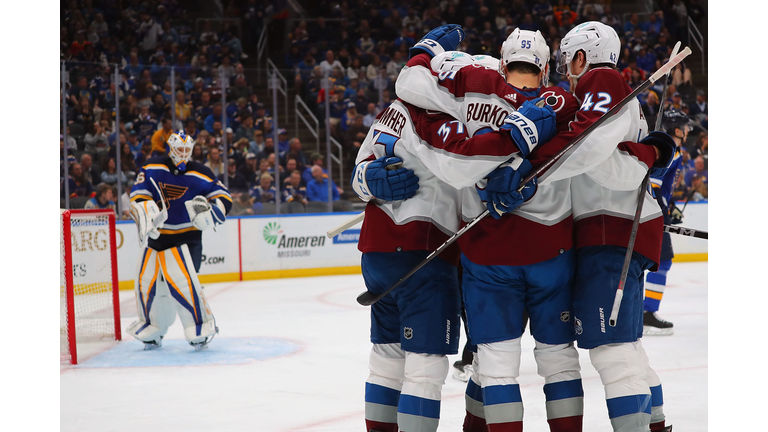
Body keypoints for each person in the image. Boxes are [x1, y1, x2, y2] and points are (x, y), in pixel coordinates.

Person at [353, 26, 572, 432]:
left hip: (377, 252)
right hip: (426, 252)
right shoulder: (436, 121)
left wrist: (367, 180)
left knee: (386, 358)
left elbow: (358, 171)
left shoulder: (392, 109)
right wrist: (514, 149)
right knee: (427, 366)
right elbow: (462, 165)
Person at [554, 21, 676, 432]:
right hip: (616, 230)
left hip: (611, 232)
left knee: (611, 350)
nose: (565, 69)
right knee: (626, 347)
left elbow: (600, 161)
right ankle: (654, 425)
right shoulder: (613, 93)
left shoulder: (601, 79)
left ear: (582, 56)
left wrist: (531, 169)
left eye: (568, 59)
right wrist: (650, 152)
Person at [127, 130, 232, 351]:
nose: (183, 154)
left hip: (188, 238)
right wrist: (145, 206)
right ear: (170, 148)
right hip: (158, 236)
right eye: (179, 149)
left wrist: (214, 211)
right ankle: (152, 326)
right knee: (147, 283)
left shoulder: (202, 173)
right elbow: (138, 192)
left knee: (184, 283)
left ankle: (199, 329)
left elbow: (223, 196)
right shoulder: (153, 167)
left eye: (187, 150)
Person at [644, 109, 691, 337]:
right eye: (685, 125)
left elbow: (660, 187)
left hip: (656, 213)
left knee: (659, 262)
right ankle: (646, 313)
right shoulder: (668, 150)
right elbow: (652, 183)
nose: (689, 129)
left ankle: (644, 312)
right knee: (661, 262)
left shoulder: (672, 149)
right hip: (653, 215)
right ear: (675, 128)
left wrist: (669, 208)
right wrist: (660, 211)